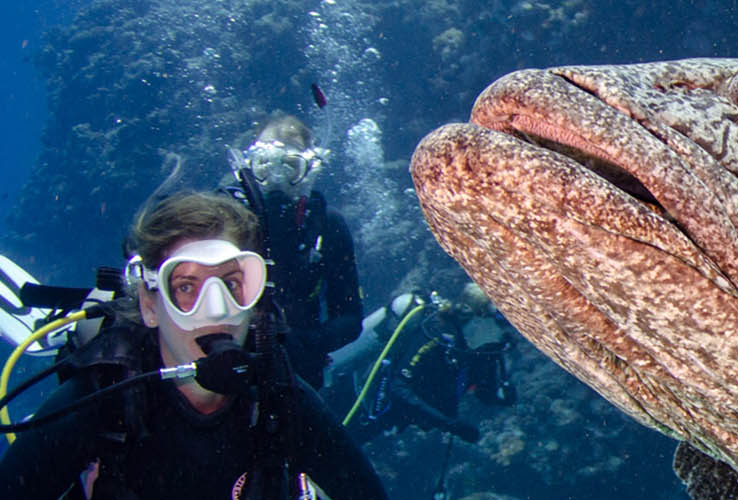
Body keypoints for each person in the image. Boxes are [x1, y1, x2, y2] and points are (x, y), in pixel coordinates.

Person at [0, 192, 387, 499]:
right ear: (150, 305)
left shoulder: (278, 396)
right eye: (186, 287)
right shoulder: (104, 397)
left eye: (232, 284)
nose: (216, 311)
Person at [231, 115, 362, 389]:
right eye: (265, 166)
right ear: (249, 167)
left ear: (311, 169)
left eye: (291, 167)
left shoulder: (328, 225)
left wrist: (304, 344)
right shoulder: (226, 222)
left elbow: (350, 317)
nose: (277, 180)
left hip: (299, 372)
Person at [326, 283, 517, 445]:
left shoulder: (478, 352)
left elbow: (484, 391)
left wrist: (503, 395)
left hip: (383, 423)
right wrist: (450, 425)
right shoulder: (437, 333)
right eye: (501, 321)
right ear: (476, 316)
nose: (505, 330)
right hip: (355, 404)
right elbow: (398, 387)